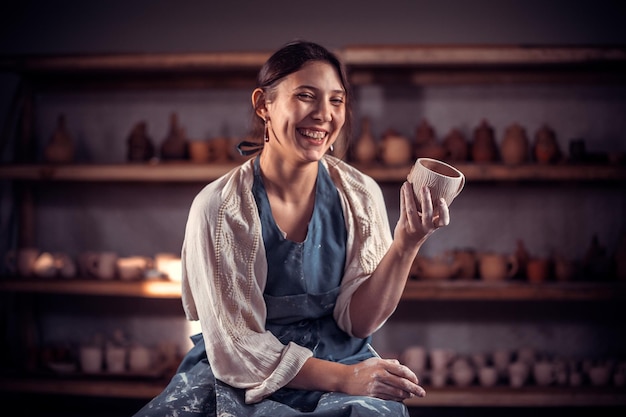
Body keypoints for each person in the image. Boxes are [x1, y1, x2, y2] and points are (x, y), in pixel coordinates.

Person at [133, 40, 450, 417]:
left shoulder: (360, 195)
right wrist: (345, 380)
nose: (323, 114)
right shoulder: (220, 208)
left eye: (336, 100)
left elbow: (359, 321)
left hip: (340, 357)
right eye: (305, 96)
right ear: (263, 104)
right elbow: (237, 347)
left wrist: (406, 243)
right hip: (246, 369)